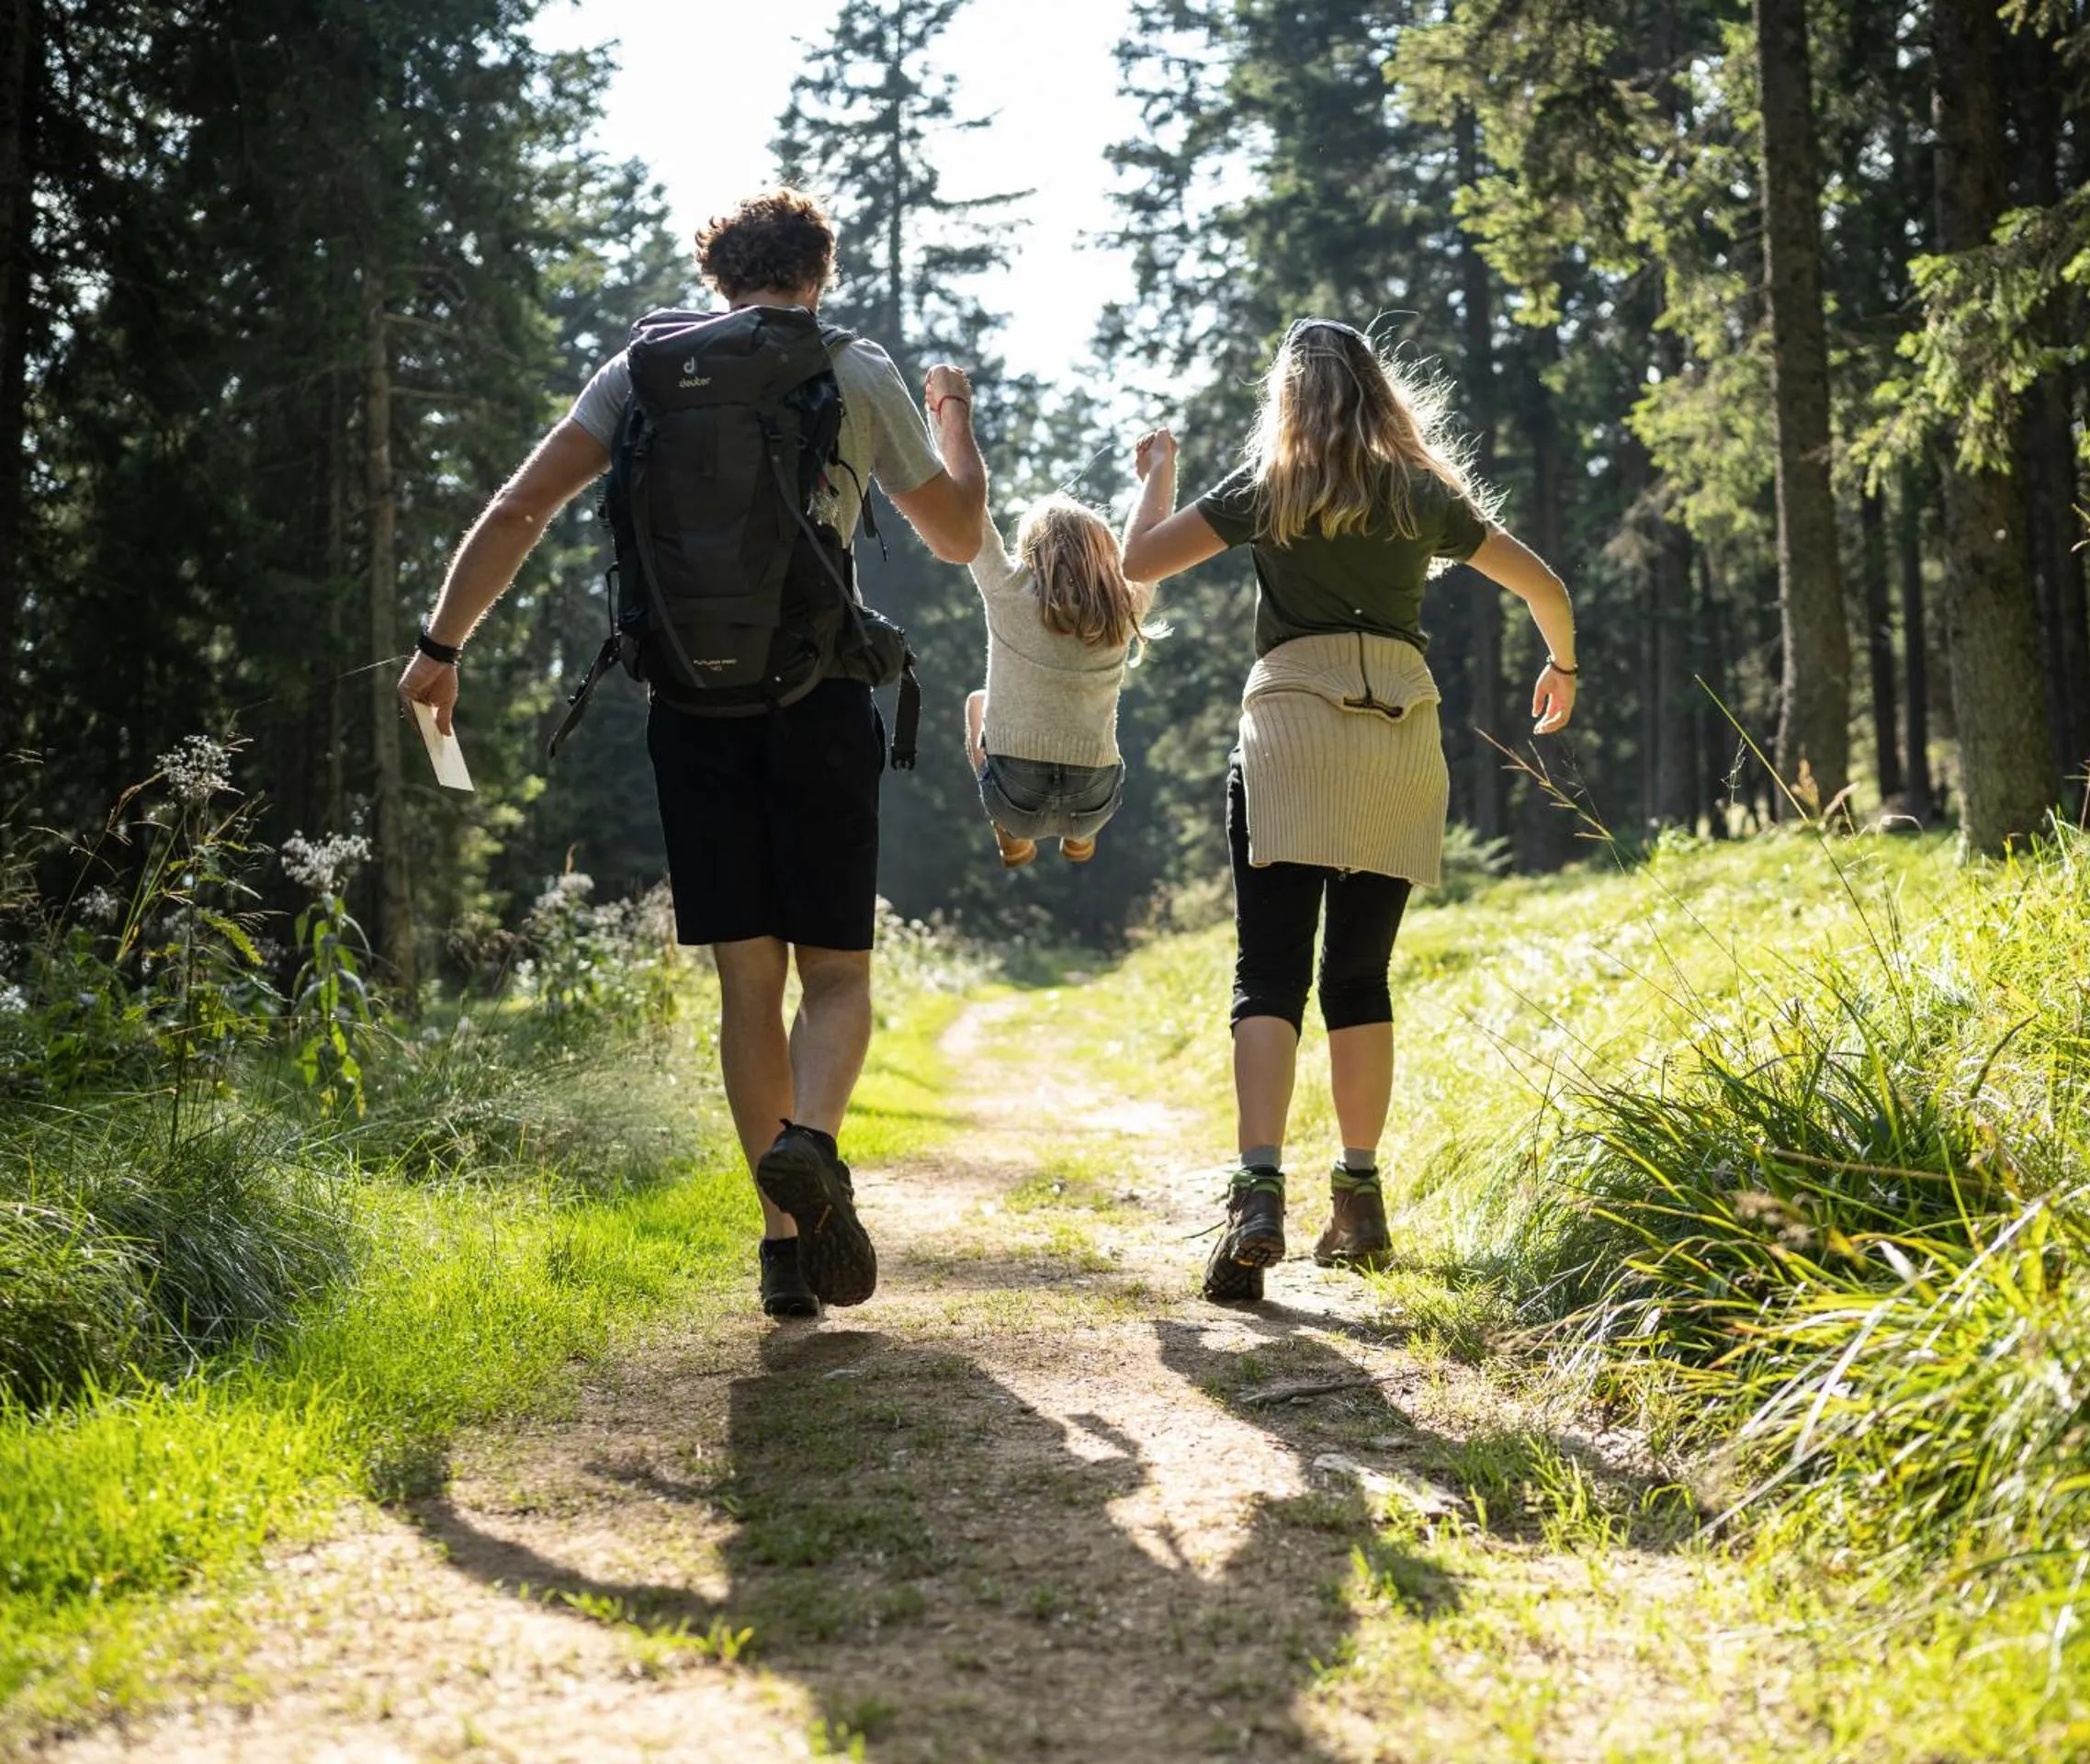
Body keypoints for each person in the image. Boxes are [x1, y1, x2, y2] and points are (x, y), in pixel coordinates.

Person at [397, 187, 988, 1321]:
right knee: (838, 973)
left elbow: (520, 509)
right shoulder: (852, 369)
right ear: (818, 271)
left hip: (686, 708)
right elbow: (957, 534)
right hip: (816, 701)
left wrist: (441, 643)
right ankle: (811, 1141)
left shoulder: (641, 375)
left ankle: (780, 1250)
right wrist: (955, 423)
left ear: (718, 277)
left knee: (746, 982)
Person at [1119, 317, 1579, 1302]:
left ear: (1288, 399)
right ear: (1379, 394)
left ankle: (1257, 1195)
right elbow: (1543, 583)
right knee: (1360, 978)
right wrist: (1563, 665)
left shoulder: (1270, 489)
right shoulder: (1421, 495)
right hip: (1399, 733)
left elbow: (1139, 563)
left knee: (1269, 973)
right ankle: (1360, 1202)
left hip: (1290, 727)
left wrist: (1157, 470)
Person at [938, 395, 1160, 867]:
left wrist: (949, 415)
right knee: (1097, 739)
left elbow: (971, 508)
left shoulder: (1006, 587)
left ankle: (1012, 837)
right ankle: (1079, 839)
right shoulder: (1123, 605)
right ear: (1105, 554)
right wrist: (1157, 473)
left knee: (978, 703)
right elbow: (1153, 535)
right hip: (1094, 799)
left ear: (1032, 549)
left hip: (1015, 798)